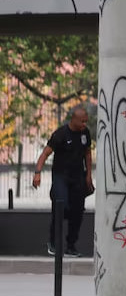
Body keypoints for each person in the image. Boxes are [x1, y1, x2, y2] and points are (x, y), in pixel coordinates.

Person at [32, 106, 93, 257]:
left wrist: (88, 176)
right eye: (82, 121)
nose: (84, 124)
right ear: (73, 119)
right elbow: (45, 154)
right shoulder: (60, 134)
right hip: (61, 177)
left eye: (86, 121)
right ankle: (53, 242)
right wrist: (37, 173)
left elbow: (87, 154)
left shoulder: (85, 133)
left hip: (78, 176)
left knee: (77, 212)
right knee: (61, 207)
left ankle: (71, 246)